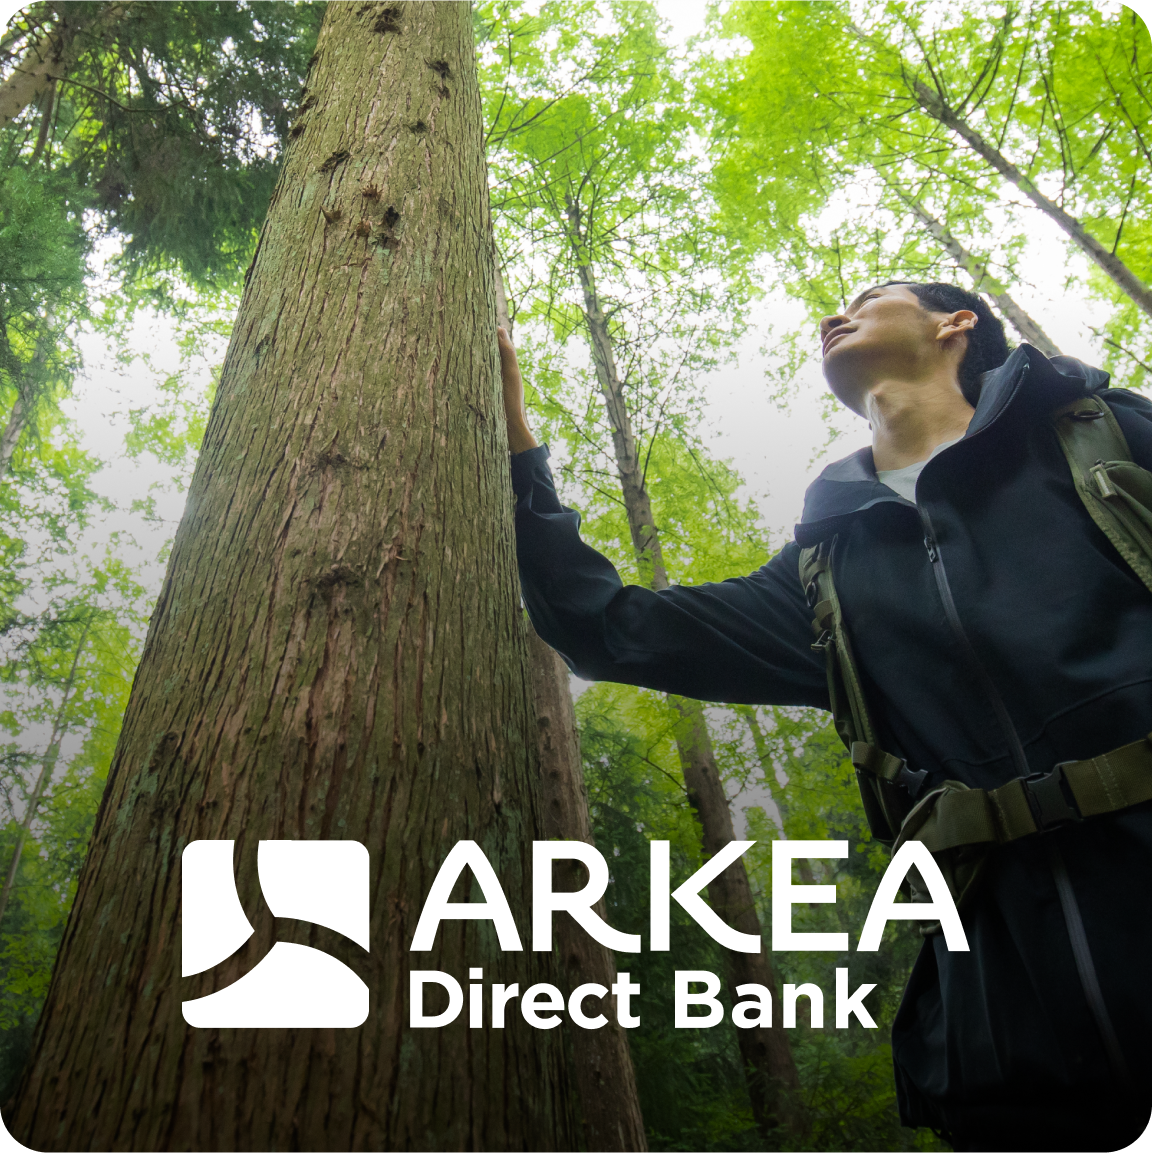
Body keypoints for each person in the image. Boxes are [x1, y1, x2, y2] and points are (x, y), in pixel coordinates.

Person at [497, 282, 1152, 1151]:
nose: (831, 317)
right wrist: (516, 441)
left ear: (956, 324)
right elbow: (608, 627)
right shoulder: (823, 574)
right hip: (1017, 1051)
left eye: (871, 297)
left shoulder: (1104, 438)